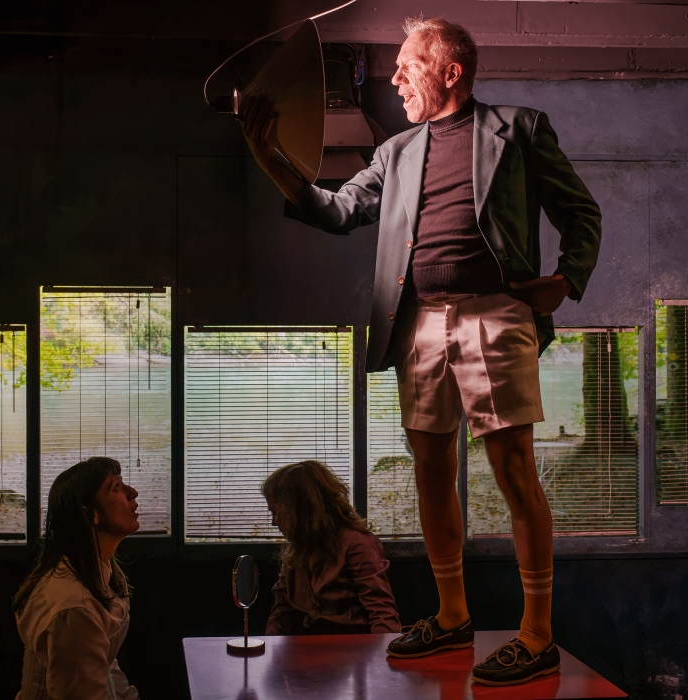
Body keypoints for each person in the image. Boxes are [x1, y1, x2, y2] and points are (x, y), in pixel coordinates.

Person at [241, 16, 601, 686]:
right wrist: (273, 162)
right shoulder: (396, 151)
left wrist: (567, 278)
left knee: (514, 470)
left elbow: (582, 213)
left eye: (407, 65)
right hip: (418, 323)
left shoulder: (521, 129)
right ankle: (453, 615)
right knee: (431, 471)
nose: (395, 77)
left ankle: (538, 635)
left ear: (450, 70)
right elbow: (337, 210)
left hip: (497, 312)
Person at [13, 457, 141, 700]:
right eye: (116, 487)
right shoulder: (75, 608)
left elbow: (104, 665)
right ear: (91, 514)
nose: (132, 492)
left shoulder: (100, 573)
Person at [262, 460, 401, 635]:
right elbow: (282, 613)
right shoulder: (296, 550)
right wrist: (267, 647)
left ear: (298, 510)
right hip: (308, 646)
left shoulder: (356, 544)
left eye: (275, 512)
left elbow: (382, 614)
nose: (274, 522)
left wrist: (383, 652)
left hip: (354, 647)